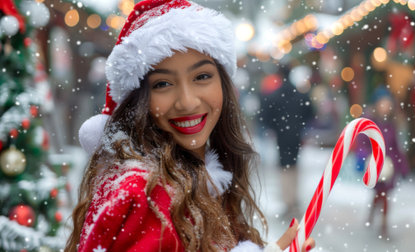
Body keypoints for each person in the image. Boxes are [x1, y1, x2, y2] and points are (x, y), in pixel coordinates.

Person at [65, 1, 315, 251]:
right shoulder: (141, 193)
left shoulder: (197, 177)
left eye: (202, 77)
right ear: (139, 99)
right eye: (162, 84)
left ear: (223, 84)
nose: (187, 102)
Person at [260, 64, 313, 217]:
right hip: (296, 135)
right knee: (294, 165)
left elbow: (265, 115)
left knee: (284, 166)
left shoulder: (275, 95)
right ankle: (294, 199)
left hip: (282, 135)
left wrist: (275, 127)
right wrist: (300, 126)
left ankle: (288, 200)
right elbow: (310, 111)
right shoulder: (300, 94)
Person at [356, 86, 409, 237]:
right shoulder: (370, 123)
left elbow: (397, 148)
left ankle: (383, 224)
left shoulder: (392, 124)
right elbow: (362, 143)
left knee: (384, 194)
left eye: (388, 104)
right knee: (379, 193)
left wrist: (403, 167)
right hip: (375, 166)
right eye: (383, 103)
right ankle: (373, 215)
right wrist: (367, 157)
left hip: (389, 166)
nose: (386, 107)